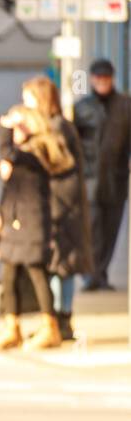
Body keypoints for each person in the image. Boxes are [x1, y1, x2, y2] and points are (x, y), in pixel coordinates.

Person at [2, 76, 93, 340]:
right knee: (54, 264)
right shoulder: (47, 127)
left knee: (62, 264)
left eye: (29, 97)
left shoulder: (57, 128)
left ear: (41, 98)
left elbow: (58, 169)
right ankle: (53, 322)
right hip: (54, 206)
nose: (25, 103)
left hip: (62, 208)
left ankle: (62, 321)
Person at [0, 105, 72, 350]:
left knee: (38, 275)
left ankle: (51, 328)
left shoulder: (36, 152)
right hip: (15, 227)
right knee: (9, 277)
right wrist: (0, 220)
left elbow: (6, 151)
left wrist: (4, 124)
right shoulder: (23, 154)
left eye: (19, 126)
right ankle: (11, 328)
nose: (14, 131)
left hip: (32, 227)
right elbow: (10, 194)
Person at [74, 58, 131, 291]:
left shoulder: (125, 105)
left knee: (111, 229)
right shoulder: (82, 108)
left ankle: (102, 274)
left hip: (116, 179)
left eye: (106, 79)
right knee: (93, 228)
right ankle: (91, 275)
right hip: (91, 179)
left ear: (112, 79)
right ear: (92, 80)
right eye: (98, 79)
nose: (102, 83)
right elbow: (74, 142)